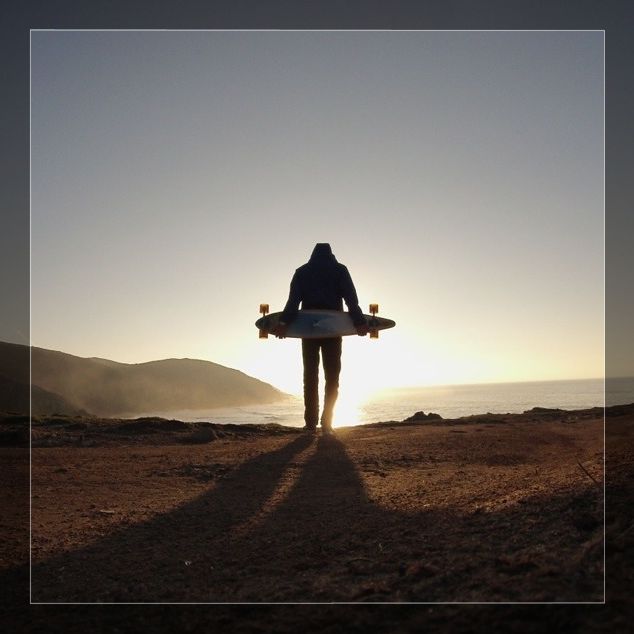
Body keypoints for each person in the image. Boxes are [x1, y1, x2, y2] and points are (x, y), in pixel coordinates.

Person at [274, 243, 368, 434]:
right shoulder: (340, 270)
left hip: (308, 329)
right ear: (331, 254)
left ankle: (310, 424)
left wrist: (284, 323)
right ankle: (327, 424)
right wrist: (359, 322)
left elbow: (293, 302)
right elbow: (351, 299)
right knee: (332, 377)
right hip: (333, 329)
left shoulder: (302, 272)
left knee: (310, 376)